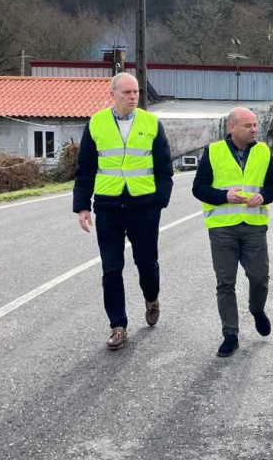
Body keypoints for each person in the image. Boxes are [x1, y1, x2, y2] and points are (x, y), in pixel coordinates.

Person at [73, 72, 174, 350]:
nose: (133, 97)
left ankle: (151, 297)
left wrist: (159, 202)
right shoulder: (96, 124)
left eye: (136, 92)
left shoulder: (152, 124)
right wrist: (82, 206)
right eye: (127, 93)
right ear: (113, 94)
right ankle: (118, 326)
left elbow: (165, 168)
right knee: (111, 268)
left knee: (146, 263)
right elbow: (85, 169)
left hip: (144, 206)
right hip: (108, 206)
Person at [192, 107, 273, 357]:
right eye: (248, 126)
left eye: (255, 125)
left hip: (253, 227)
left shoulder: (263, 151)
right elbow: (198, 189)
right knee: (225, 283)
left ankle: (257, 309)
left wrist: (263, 196)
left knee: (260, 278)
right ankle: (230, 334)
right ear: (232, 127)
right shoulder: (214, 151)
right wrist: (224, 196)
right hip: (222, 229)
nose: (254, 129)